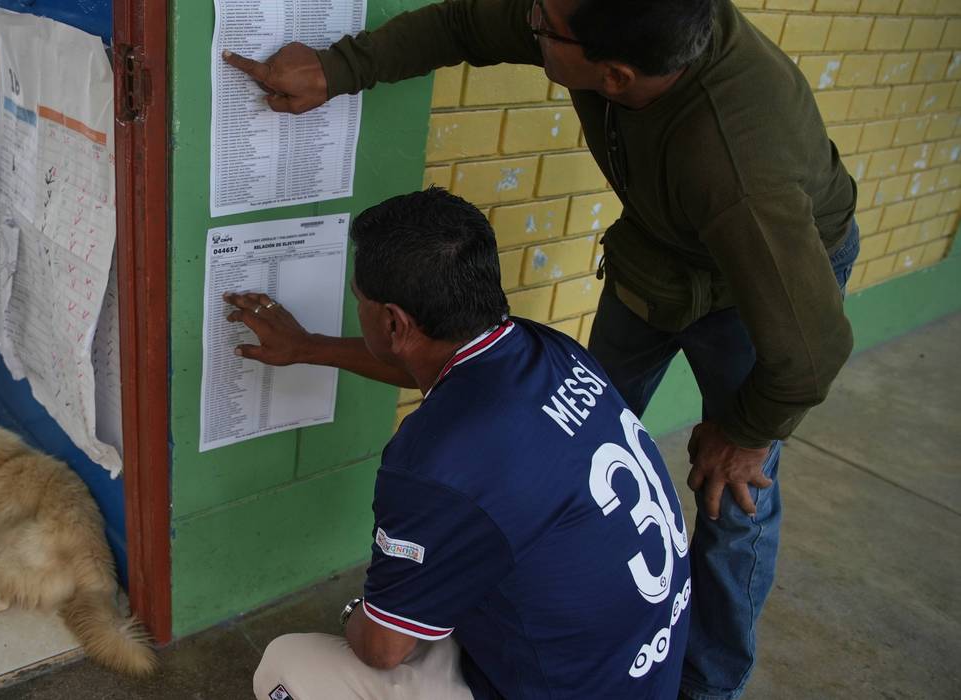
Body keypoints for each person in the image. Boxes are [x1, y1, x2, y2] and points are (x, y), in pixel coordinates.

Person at [222, 1, 860, 697]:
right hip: (658, 255)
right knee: (572, 441)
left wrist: (744, 433)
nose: (527, 17)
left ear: (612, 75)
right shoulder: (547, 352)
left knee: (732, 501)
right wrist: (340, 68)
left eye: (542, 25)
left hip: (768, 292)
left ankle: (709, 688)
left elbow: (811, 350)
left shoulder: (738, 170)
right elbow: (464, 25)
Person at [230, 187, 692, 699]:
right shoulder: (545, 348)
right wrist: (308, 348)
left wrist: (359, 612)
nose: (356, 307)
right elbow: (428, 370)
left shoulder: (436, 465)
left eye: (359, 299)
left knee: (286, 667)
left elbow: (381, 648)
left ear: (392, 322)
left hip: (558, 686)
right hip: (639, 669)